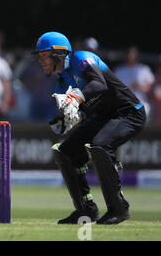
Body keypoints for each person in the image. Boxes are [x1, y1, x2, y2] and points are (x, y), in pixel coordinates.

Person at [32, 32, 146, 225]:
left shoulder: (82, 58)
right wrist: (65, 120)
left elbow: (99, 84)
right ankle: (86, 210)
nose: (41, 60)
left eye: (44, 55)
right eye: (40, 56)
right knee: (65, 151)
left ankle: (118, 208)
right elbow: (80, 113)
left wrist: (76, 97)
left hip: (128, 112)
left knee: (100, 145)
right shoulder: (61, 84)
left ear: (59, 53)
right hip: (101, 117)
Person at [114, 46, 154, 119]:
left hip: (142, 104)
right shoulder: (119, 70)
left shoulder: (144, 69)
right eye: (129, 54)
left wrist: (139, 86)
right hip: (125, 105)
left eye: (133, 54)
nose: (131, 56)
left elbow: (151, 88)